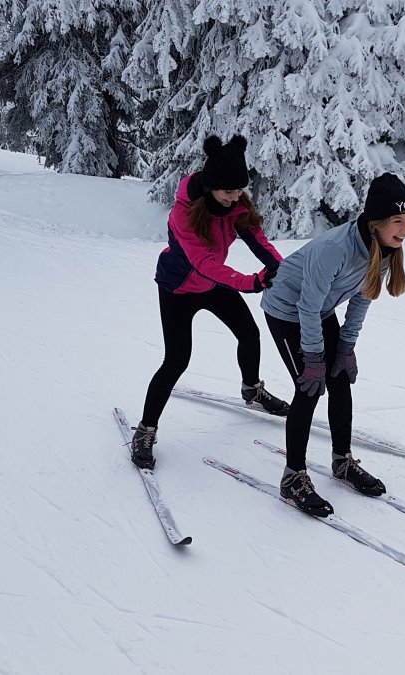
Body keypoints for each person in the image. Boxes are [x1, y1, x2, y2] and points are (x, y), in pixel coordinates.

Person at [130, 135, 290, 470]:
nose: (235, 197)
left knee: (249, 334)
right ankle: (145, 430)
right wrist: (252, 282)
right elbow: (204, 263)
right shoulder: (184, 214)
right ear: (211, 187)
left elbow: (258, 241)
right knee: (176, 360)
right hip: (178, 289)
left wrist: (282, 270)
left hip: (213, 284)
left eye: (239, 190)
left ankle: (252, 390)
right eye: (228, 191)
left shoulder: (238, 206)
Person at [260, 173, 405, 516]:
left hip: (319, 310)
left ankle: (342, 461)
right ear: (376, 221)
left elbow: (362, 298)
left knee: (339, 379)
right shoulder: (335, 249)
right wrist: (314, 358)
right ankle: (292, 477)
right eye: (397, 221)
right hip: (287, 310)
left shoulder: (384, 249)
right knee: (309, 387)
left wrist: (345, 347)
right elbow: (306, 307)